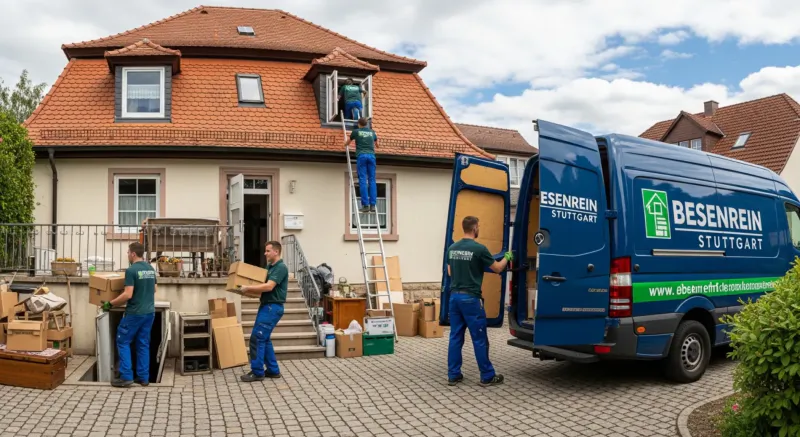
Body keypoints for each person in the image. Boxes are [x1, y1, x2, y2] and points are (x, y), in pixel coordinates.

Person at [446, 216, 513, 387]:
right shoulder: (479, 249)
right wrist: (507, 257)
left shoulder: (452, 248)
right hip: (471, 299)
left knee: (455, 337)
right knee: (479, 338)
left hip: (454, 298)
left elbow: (450, 272)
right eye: (479, 226)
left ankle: (453, 375)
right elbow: (497, 268)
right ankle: (487, 376)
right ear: (475, 228)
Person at [103, 242, 157, 388]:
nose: (127, 255)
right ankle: (143, 378)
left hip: (134, 313)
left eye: (128, 252)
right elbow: (154, 289)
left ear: (133, 254)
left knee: (123, 341)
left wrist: (111, 303)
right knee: (143, 344)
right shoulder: (150, 269)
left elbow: (128, 294)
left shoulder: (132, 270)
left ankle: (126, 377)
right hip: (149, 313)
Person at [239, 241, 289, 382]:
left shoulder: (281, 268)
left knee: (257, 338)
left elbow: (269, 287)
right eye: (265, 250)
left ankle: (258, 372)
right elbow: (260, 283)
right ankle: (273, 371)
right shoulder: (270, 267)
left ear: (276, 252)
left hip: (272, 308)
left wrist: (248, 288)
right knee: (264, 339)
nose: (265, 253)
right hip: (267, 306)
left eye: (268, 251)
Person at [344, 117, 378, 213]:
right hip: (371, 156)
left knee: (363, 180)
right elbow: (377, 144)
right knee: (372, 180)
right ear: (366, 124)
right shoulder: (372, 132)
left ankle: (365, 205)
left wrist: (344, 144)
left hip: (362, 156)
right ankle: (373, 205)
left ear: (359, 124)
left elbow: (348, 142)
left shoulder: (356, 132)